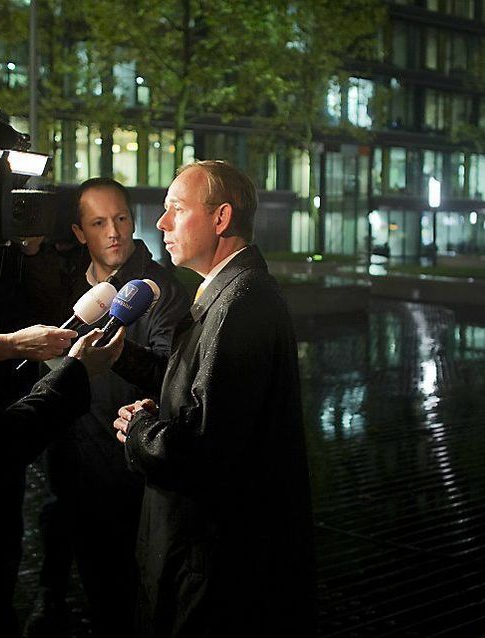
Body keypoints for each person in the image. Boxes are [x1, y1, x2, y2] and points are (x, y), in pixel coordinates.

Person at [112, 161, 315, 637]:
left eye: (176, 210)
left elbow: (205, 447)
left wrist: (138, 432)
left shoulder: (240, 303)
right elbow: (198, 391)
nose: (161, 224)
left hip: (214, 568)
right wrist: (126, 362)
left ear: (221, 219)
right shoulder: (227, 291)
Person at [31, 178, 189, 637]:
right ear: (80, 233)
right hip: (73, 466)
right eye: (99, 223)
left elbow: (171, 375)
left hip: (127, 475)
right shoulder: (71, 285)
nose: (115, 232)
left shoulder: (159, 290)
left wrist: (121, 355)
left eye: (121, 218)